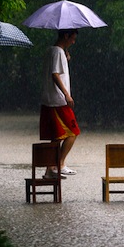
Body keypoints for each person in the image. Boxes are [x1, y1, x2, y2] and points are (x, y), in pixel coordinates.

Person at [40, 29, 81, 179]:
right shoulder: (57, 52)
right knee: (73, 132)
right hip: (58, 100)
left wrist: (65, 55)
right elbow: (55, 75)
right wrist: (66, 94)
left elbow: (55, 70)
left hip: (49, 99)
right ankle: (60, 163)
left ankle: (50, 170)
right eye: (72, 38)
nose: (73, 41)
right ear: (66, 36)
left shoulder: (52, 51)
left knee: (57, 136)